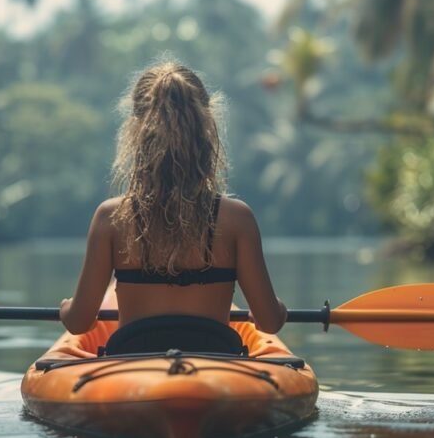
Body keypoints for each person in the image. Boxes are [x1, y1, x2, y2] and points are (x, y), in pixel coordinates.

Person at [58, 61, 286, 354]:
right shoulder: (237, 219)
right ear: (206, 128)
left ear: (136, 131)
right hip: (215, 360)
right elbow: (269, 322)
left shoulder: (111, 217)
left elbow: (79, 323)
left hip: (133, 362)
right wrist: (278, 309)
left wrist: (66, 308)